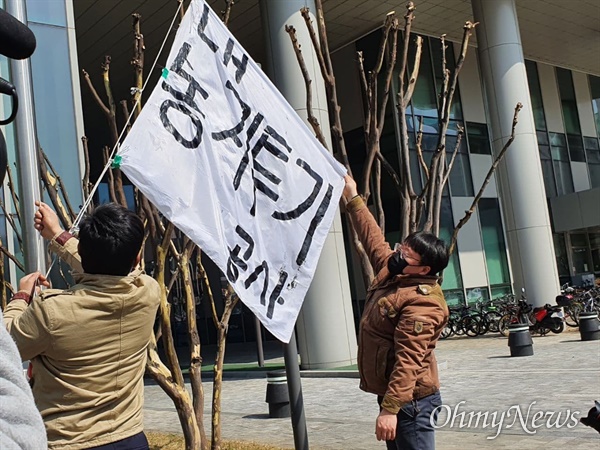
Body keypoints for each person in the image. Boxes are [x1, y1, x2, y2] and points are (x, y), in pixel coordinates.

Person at [3, 201, 160, 449]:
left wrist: (21, 297)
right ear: (138, 258)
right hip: (131, 437)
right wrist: (57, 235)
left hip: (68, 442)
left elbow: (8, 345)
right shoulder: (149, 292)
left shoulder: (52, 312)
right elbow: (111, 270)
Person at [342, 175, 449, 450]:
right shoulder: (395, 273)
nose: (399, 254)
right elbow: (373, 239)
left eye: (408, 255)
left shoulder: (423, 303)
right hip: (394, 395)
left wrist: (390, 410)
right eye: (402, 247)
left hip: (411, 402)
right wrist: (353, 197)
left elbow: (409, 361)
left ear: (425, 269)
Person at [0, 309, 47, 449]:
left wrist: (22, 297)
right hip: (109, 430)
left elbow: (11, 336)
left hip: (65, 435)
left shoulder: (50, 310)